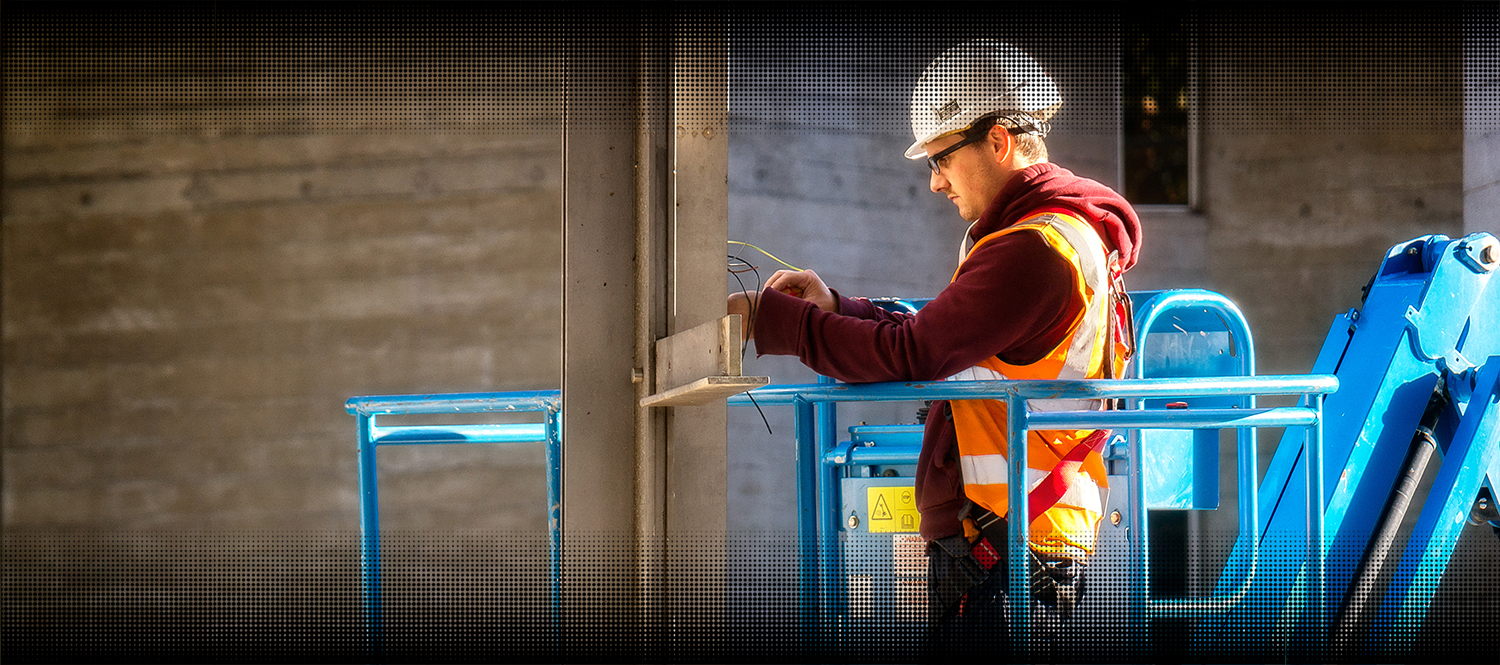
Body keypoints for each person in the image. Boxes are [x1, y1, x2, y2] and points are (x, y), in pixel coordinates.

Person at [727, 40, 1142, 655]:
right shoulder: (1048, 235)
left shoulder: (1034, 251)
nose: (934, 182)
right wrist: (838, 310)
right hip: (1015, 535)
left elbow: (915, 353)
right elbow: (950, 338)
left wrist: (776, 324)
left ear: (998, 142)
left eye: (943, 158)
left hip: (1007, 546)